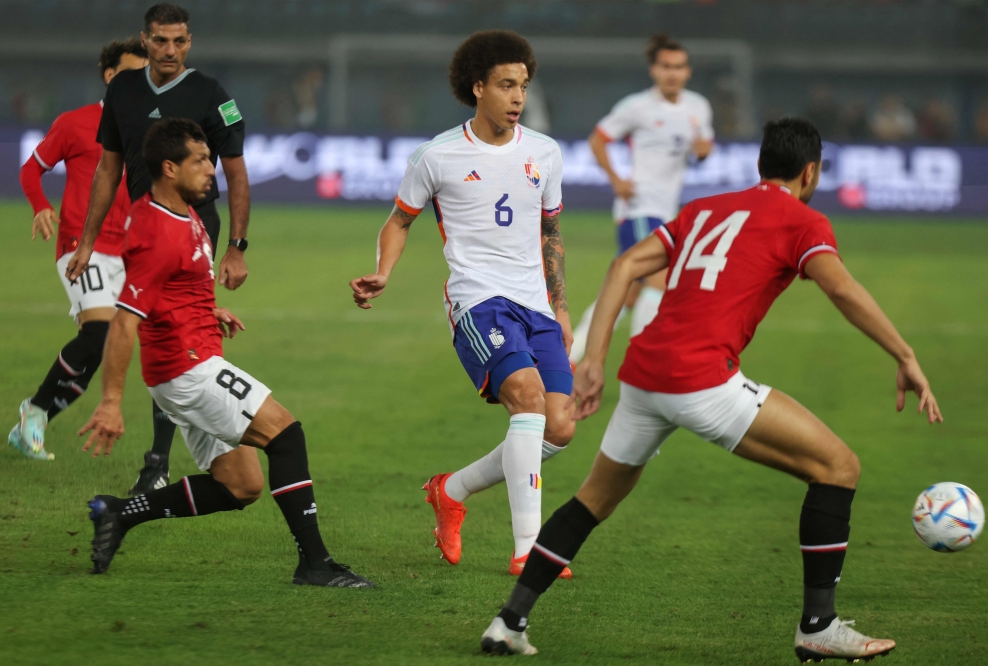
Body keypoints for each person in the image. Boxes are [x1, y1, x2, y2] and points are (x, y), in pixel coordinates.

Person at [480, 118, 942, 661]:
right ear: (811, 172)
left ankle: (508, 622)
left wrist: (596, 359)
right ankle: (819, 626)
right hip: (700, 380)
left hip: (644, 373)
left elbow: (625, 265)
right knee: (838, 468)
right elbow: (840, 288)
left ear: (760, 165)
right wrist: (905, 355)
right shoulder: (803, 221)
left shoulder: (705, 209)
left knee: (593, 500)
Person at [79, 118, 372, 588]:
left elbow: (167, 289)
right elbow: (124, 321)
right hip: (187, 370)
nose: (210, 168)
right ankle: (315, 564)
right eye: (199, 161)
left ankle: (121, 512)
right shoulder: (158, 229)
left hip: (190, 360)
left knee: (241, 485)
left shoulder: (183, 211)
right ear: (169, 168)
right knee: (286, 435)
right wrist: (111, 402)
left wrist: (205, 311)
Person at [350, 30, 576, 577]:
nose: (518, 97)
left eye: (523, 85)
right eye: (506, 85)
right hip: (479, 301)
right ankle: (529, 550)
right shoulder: (438, 155)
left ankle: (450, 489)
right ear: (478, 88)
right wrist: (383, 272)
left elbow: (550, 234)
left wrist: (562, 307)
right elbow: (399, 220)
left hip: (535, 304)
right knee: (528, 399)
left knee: (559, 427)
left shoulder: (545, 152)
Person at [64, 3, 253, 496]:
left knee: (168, 332)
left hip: (194, 227)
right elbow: (108, 169)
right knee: (155, 331)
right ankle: (173, 452)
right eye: (161, 40)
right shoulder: (122, 90)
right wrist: (86, 242)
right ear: (144, 40)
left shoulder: (210, 93)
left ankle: (158, 461)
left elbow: (236, 174)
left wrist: (236, 247)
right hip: (144, 228)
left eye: (179, 41)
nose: (171, 50)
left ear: (190, 42)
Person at [8, 39, 148, 461]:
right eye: (131, 74)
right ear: (110, 75)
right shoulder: (75, 123)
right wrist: (40, 206)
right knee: (100, 332)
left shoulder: (148, 131)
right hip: (80, 246)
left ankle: (33, 420)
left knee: (102, 350)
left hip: (128, 253)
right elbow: (31, 168)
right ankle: (34, 410)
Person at [569, 34, 713, 364]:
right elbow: (597, 140)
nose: (672, 73)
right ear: (654, 70)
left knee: (626, 293)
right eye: (666, 67)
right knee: (661, 279)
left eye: (678, 67)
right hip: (639, 209)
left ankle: (570, 356)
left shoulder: (698, 107)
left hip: (666, 210)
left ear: (688, 71)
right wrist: (617, 180)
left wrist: (703, 151)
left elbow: (703, 147)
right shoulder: (637, 107)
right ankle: (645, 364)